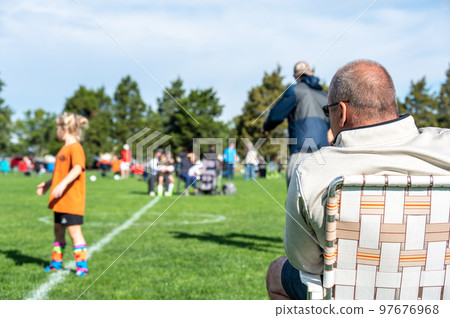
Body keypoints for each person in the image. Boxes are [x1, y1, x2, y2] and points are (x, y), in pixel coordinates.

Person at [265, 59, 450, 300]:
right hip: (437, 295)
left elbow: (306, 263)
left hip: (349, 298)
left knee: (276, 273)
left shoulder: (311, 172)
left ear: (341, 112)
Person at [36, 112, 89, 277]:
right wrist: (48, 184)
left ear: (64, 128)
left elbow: (77, 168)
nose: (56, 131)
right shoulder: (64, 149)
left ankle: (82, 267)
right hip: (60, 201)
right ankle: (56, 263)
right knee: (58, 231)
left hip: (72, 201)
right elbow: (60, 173)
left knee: (74, 233)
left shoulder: (75, 148)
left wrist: (63, 184)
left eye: (57, 127)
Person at [262, 61, 329, 186]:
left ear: (295, 77)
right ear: (311, 73)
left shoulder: (294, 90)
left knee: (295, 203)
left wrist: (266, 127)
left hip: (301, 153)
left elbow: (276, 115)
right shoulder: (325, 96)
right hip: (324, 156)